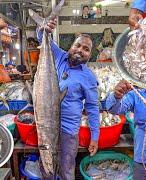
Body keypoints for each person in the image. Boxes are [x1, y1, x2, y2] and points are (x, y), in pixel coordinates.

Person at [37, 19, 100, 179]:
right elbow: (42, 38)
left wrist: (95, 137)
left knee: (66, 170)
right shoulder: (58, 55)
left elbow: (93, 108)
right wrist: (43, 29)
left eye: (86, 49)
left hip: (68, 131)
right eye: (78, 45)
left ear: (89, 55)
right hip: (46, 127)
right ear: (71, 46)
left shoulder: (89, 77)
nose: (80, 50)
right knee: (47, 168)